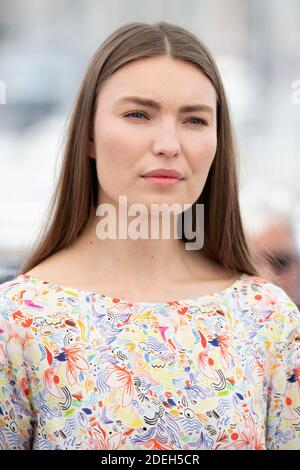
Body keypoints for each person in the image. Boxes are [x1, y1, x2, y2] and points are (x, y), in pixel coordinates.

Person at [0, 21, 299, 450]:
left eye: (194, 119)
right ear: (88, 134)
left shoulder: (267, 319)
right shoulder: (19, 321)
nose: (168, 143)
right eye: (138, 114)